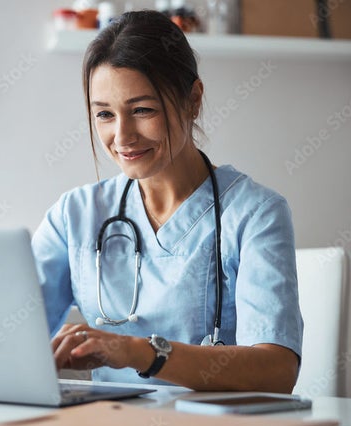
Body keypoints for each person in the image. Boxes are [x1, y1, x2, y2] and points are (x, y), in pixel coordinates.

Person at [31, 10, 302, 392]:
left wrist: (141, 352)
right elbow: (2, 335)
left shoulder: (256, 215)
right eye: (105, 114)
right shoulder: (73, 216)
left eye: (142, 110)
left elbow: (277, 372)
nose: (122, 136)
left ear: (193, 100)